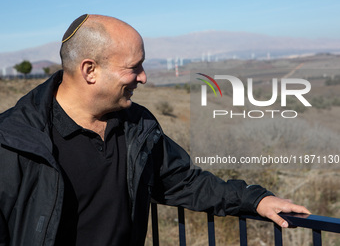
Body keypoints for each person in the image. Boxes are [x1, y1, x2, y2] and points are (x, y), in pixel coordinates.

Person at [0, 14, 310, 246]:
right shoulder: (12, 140)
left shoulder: (139, 126)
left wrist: (254, 200)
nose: (144, 77)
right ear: (90, 70)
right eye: (133, 67)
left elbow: (185, 181)